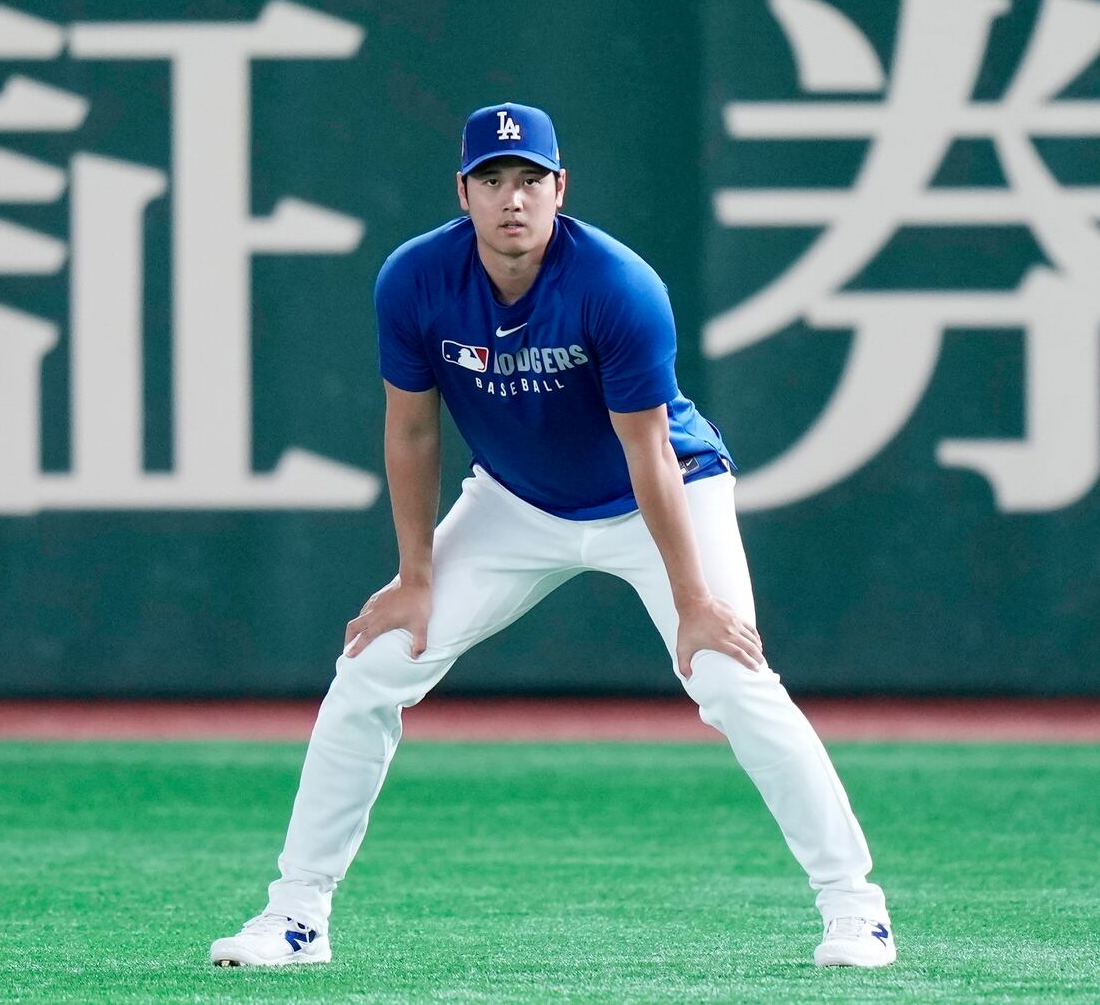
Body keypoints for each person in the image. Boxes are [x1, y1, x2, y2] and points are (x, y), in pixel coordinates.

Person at [211, 102, 895, 969]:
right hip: (516, 502)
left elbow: (646, 451)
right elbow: (413, 432)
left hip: (660, 497)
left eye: (531, 179)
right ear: (462, 192)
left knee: (730, 675)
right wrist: (413, 573)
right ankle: (296, 914)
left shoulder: (617, 284)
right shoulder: (414, 280)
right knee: (372, 668)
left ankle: (855, 907)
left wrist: (694, 604)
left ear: (560, 188)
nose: (513, 198)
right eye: (493, 180)